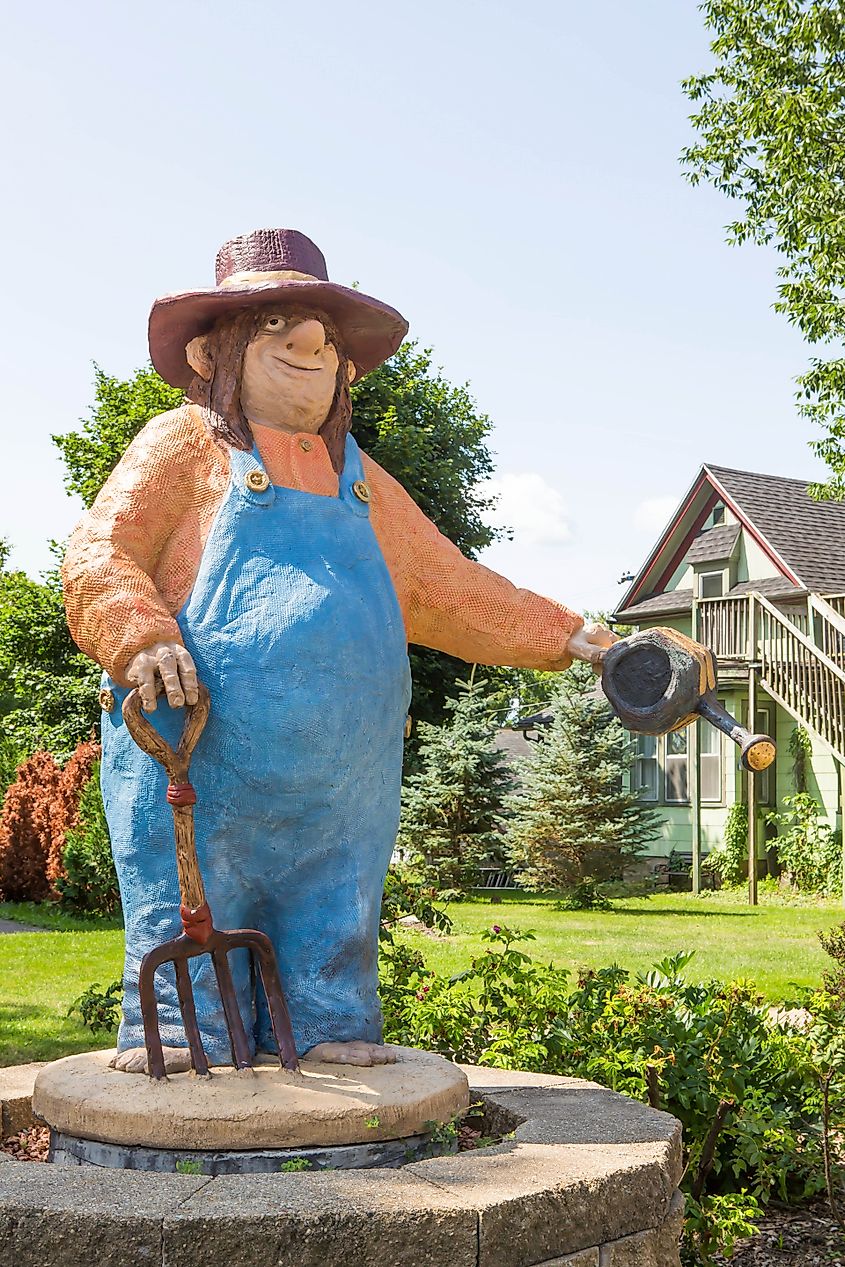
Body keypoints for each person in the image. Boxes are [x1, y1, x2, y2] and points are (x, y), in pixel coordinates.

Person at [63, 228, 615, 1073]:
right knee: (191, 912)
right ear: (216, 350)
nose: (309, 348)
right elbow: (99, 551)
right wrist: (139, 636)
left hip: (340, 788)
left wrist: (572, 636)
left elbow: (446, 585)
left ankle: (326, 1021)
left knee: (334, 912)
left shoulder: (357, 477)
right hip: (198, 761)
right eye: (278, 325)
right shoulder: (186, 446)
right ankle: (184, 1032)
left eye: (322, 335)